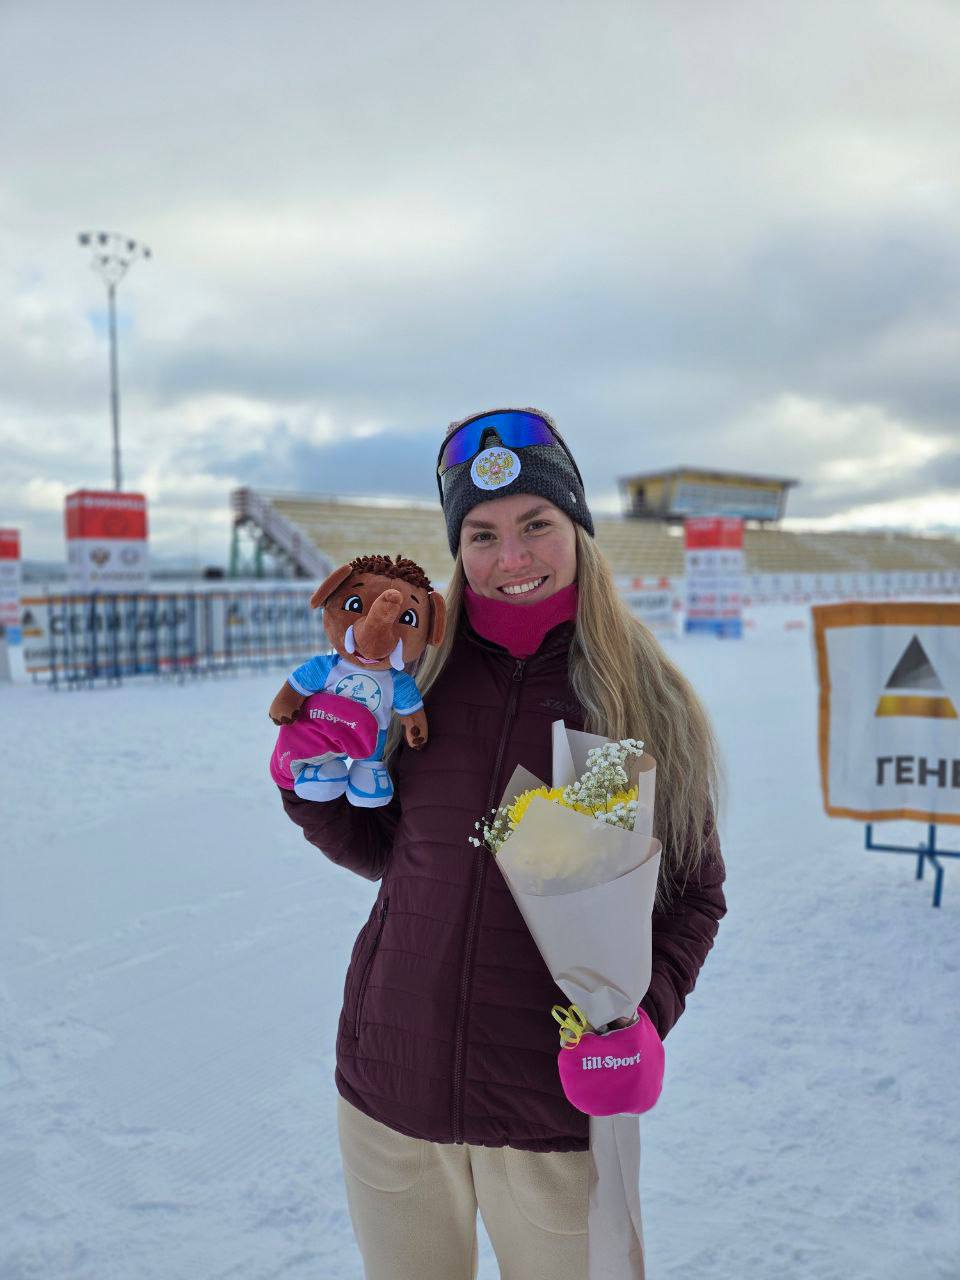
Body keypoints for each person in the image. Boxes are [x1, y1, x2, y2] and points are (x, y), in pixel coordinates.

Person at [279, 407, 728, 1280]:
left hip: (550, 1107)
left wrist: (644, 1018)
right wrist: (311, 786)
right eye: (481, 535)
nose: (510, 558)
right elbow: (391, 851)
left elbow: (693, 895)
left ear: (578, 530)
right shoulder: (419, 683)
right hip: (390, 1090)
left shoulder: (640, 700)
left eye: (536, 526)